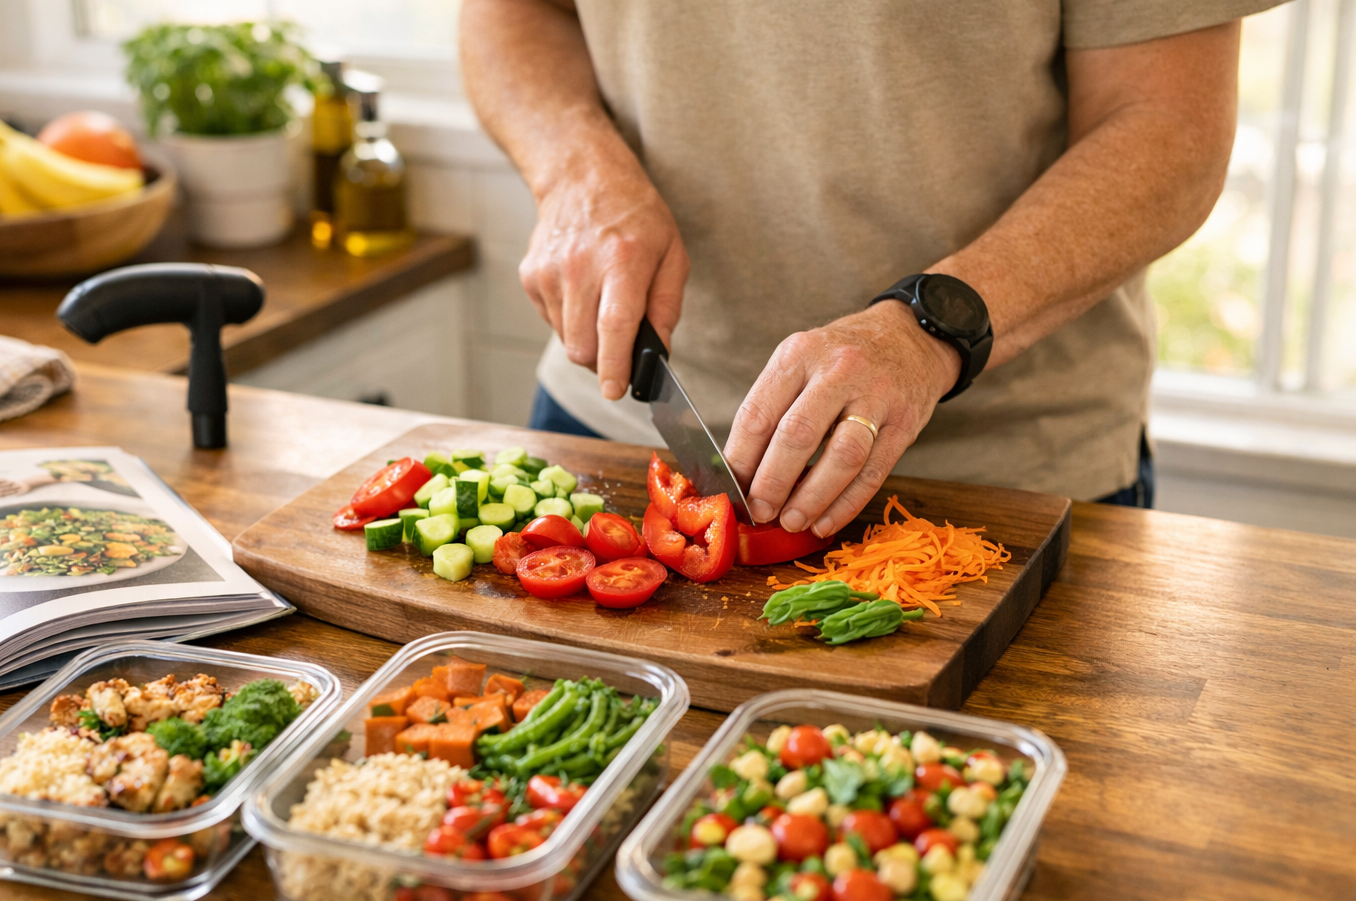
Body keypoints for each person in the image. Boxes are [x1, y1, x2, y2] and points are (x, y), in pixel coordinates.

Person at [459, 0, 1282, 537]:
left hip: (1000, 478)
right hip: (611, 423)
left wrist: (932, 328)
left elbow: (1170, 128)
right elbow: (512, 12)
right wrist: (572, 170)